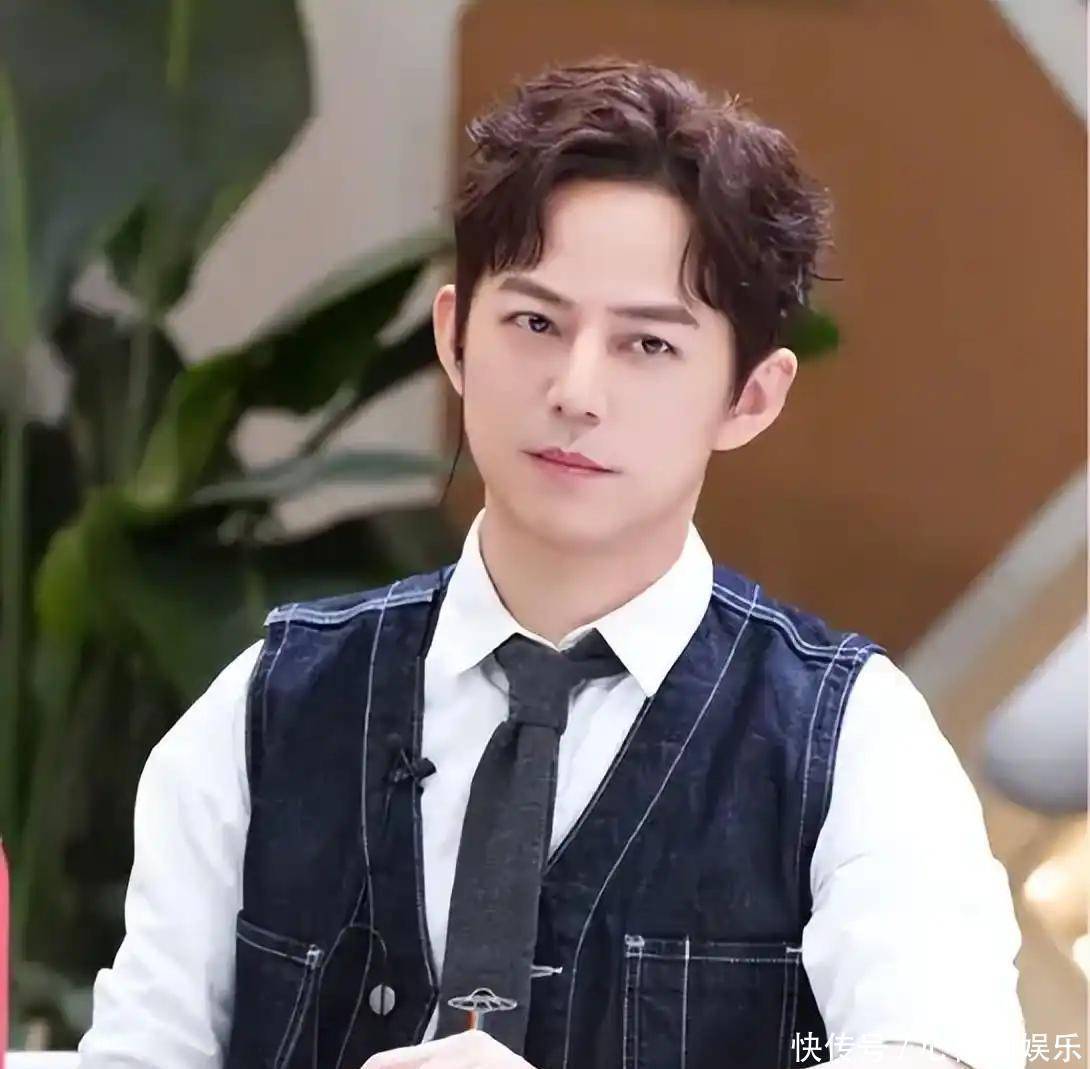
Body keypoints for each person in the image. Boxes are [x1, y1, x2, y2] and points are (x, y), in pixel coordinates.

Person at [78, 57, 1026, 1069]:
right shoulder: (267, 706)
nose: (575, 391)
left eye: (647, 346)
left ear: (751, 396)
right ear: (455, 336)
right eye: (534, 322)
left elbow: (943, 1049)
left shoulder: (851, 741)